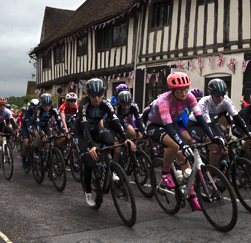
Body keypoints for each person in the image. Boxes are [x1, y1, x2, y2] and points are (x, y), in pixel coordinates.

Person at [147, 72, 216, 206]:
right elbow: (168, 127)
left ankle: (191, 196)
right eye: (180, 90)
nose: (184, 92)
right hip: (155, 125)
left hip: (171, 123)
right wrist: (181, 144)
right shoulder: (164, 101)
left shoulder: (190, 97)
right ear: (172, 90)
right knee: (175, 146)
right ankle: (165, 171)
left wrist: (212, 137)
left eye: (186, 89)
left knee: (184, 157)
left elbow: (200, 119)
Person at [76, 79, 134, 208]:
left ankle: (110, 166)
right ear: (88, 95)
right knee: (89, 161)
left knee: (112, 142)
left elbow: (115, 120)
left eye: (100, 95)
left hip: (96, 129)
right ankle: (89, 191)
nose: (97, 98)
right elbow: (85, 128)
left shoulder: (106, 103)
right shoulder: (83, 107)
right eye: (93, 95)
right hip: (81, 134)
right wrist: (91, 146)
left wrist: (125, 138)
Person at [187, 79, 251, 166]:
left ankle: (220, 169)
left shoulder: (226, 100)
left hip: (210, 123)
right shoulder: (204, 103)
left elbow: (237, 117)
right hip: (195, 125)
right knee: (215, 144)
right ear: (211, 93)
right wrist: (215, 139)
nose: (221, 98)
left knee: (225, 146)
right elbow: (208, 126)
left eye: (223, 94)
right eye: (218, 95)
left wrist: (247, 132)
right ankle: (213, 173)